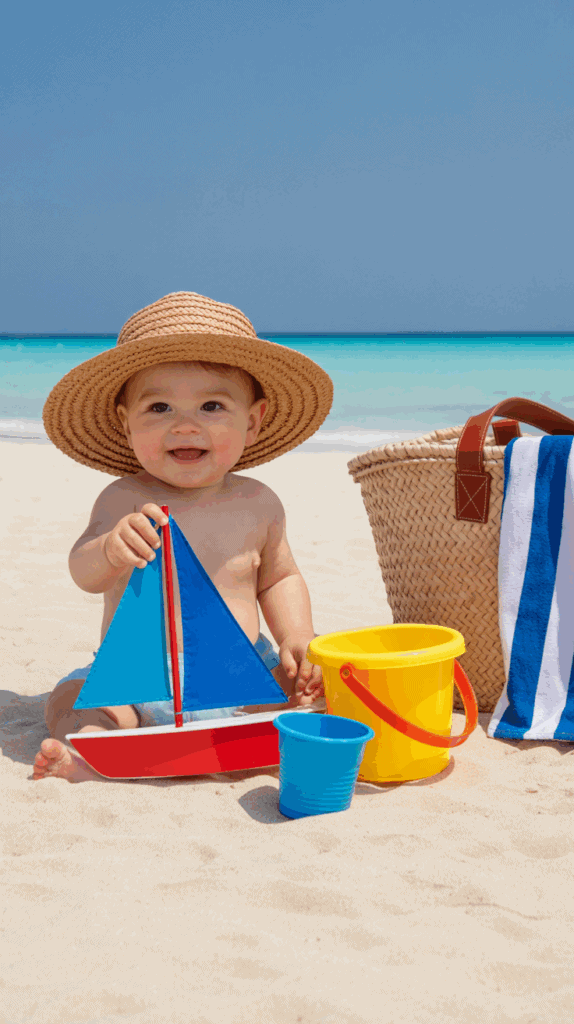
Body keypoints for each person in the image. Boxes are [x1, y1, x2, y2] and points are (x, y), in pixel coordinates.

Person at [34, 291, 333, 781]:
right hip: (137, 677)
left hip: (238, 674)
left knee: (303, 686)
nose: (186, 424)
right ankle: (91, 751)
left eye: (212, 406)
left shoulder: (257, 503)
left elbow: (279, 578)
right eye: (160, 408)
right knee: (70, 699)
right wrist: (110, 548)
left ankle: (265, 731)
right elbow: (83, 572)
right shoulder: (122, 498)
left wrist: (296, 636)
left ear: (253, 421)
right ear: (124, 423)